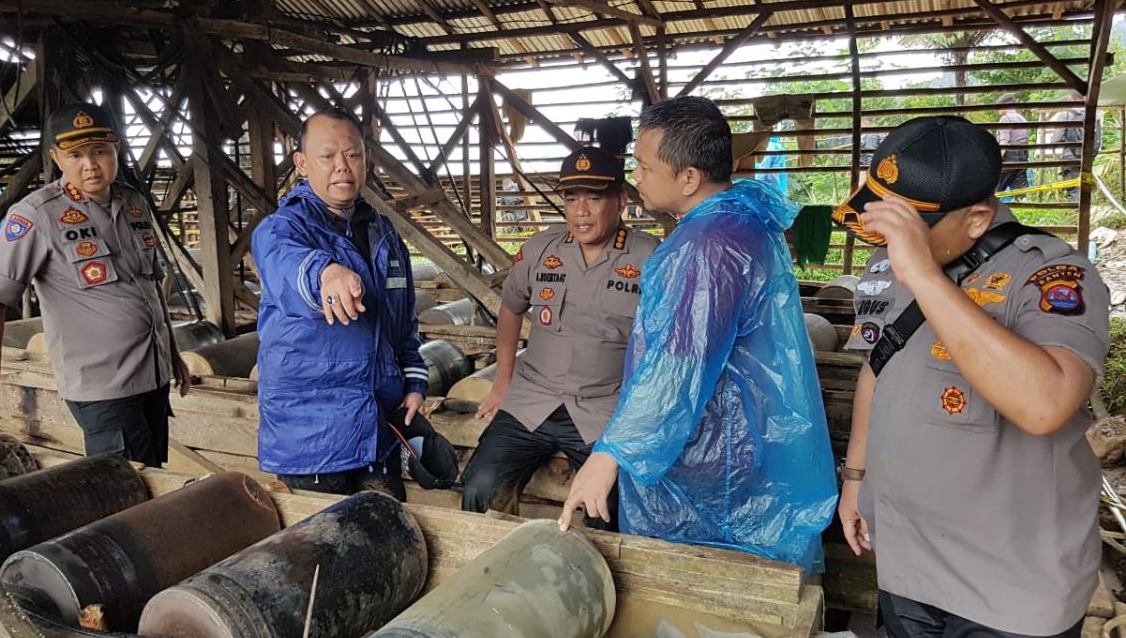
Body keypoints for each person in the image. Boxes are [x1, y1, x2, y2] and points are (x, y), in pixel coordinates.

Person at [831, 116, 1107, 637]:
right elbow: (878, 367)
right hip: (909, 561)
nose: (894, 243)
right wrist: (856, 480)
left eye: (911, 228)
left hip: (1011, 587)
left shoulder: (1050, 274)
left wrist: (923, 274)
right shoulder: (894, 267)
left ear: (977, 218)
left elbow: (1045, 404)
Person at [559, 97, 837, 572]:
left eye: (644, 167)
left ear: (688, 177)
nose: (638, 177)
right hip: (743, 443)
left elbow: (677, 369)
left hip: (718, 461)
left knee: (705, 587)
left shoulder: (708, 246)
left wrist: (610, 454)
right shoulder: (738, 223)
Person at [0, 104, 190, 466]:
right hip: (103, 386)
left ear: (117, 149)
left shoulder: (133, 203)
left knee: (152, 477)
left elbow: (149, 283)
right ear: (55, 158)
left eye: (100, 151)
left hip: (153, 376)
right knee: (123, 488)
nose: (90, 164)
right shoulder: (37, 214)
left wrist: (172, 353)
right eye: (76, 155)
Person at [462, 146, 659, 528]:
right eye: (571, 198)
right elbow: (510, 307)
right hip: (532, 400)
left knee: (609, 509)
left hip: (603, 409)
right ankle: (493, 576)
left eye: (594, 197)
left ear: (620, 200)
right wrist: (503, 380)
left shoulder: (648, 258)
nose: (580, 210)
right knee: (479, 489)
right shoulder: (540, 250)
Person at [250, 108, 427, 499]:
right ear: (302, 163)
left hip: (377, 430)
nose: (341, 168)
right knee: (325, 553)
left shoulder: (384, 232)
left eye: (352, 155)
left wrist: (414, 383)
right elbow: (286, 265)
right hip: (313, 440)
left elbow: (403, 319)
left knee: (388, 537)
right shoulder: (280, 229)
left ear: (367, 159)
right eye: (327, 157)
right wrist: (324, 273)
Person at [995, 93, 1030, 199]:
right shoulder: (1022, 119)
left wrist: (997, 160)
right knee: (1020, 191)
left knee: (996, 189)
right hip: (1023, 158)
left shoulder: (1005, 119)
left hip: (1009, 159)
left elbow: (1004, 142)